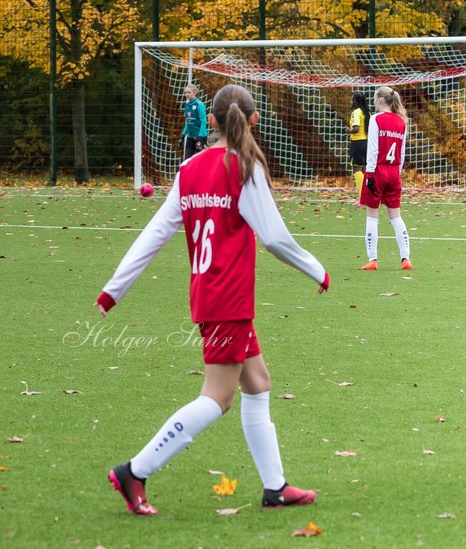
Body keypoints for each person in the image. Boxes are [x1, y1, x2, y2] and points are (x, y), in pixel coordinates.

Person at [95, 84, 329, 516]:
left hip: (210, 296)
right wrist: (317, 268)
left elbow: (155, 234)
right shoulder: (244, 167)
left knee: (257, 384)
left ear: (213, 121)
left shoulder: (188, 170)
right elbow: (275, 236)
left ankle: (275, 487)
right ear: (253, 121)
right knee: (217, 398)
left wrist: (114, 289)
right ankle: (135, 471)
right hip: (231, 300)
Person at [359, 85, 412, 271]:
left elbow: (372, 149)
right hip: (394, 172)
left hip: (378, 170)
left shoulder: (376, 119)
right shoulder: (401, 122)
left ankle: (372, 260)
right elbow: (402, 152)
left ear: (381, 99)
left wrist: (370, 175)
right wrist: (397, 172)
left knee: (372, 216)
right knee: (395, 216)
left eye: (375, 99)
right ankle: (405, 258)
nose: (374, 102)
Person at [347, 90, 369, 203]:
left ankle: (362, 196)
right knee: (366, 169)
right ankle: (369, 194)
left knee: (356, 168)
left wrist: (348, 131)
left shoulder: (356, 112)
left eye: (352, 99)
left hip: (357, 142)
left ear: (356, 101)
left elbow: (356, 129)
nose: (351, 101)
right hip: (367, 142)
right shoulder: (367, 112)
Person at [181, 83, 208, 160]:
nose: (187, 94)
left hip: (200, 137)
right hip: (190, 136)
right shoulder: (187, 105)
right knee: (187, 160)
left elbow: (203, 121)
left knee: (199, 161)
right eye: (185, 92)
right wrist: (183, 135)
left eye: (189, 92)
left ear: (195, 92)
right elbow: (188, 121)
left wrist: (200, 136)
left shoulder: (199, 104)